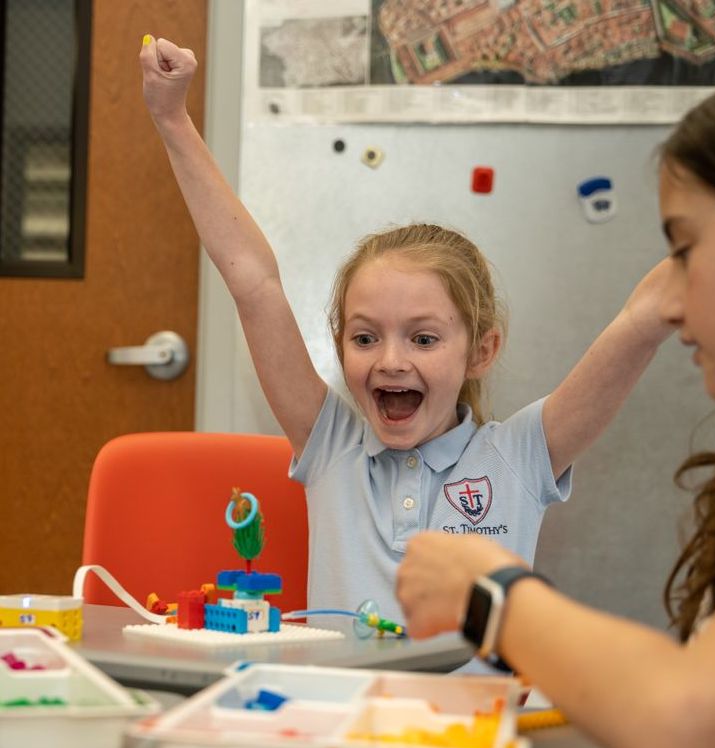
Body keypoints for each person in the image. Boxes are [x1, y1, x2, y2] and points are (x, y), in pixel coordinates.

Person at [396, 36, 715, 748]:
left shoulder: (513, 450)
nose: (675, 292)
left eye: (685, 250)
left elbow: (683, 721)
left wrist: (489, 591)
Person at [139, 34, 672, 623]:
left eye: (423, 338)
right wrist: (171, 117)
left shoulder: (519, 456)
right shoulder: (330, 446)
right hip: (335, 716)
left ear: (482, 350)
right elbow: (253, 284)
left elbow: (636, 324)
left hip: (467, 717)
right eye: (365, 338)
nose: (390, 360)